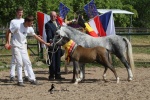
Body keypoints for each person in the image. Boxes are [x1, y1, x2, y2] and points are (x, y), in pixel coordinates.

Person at [5, 15, 50, 86]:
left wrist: (45, 43)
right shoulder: (17, 26)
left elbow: (36, 37)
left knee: (28, 62)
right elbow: (8, 31)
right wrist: (7, 42)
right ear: (26, 22)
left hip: (23, 46)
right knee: (19, 62)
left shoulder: (30, 28)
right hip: (16, 46)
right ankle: (20, 81)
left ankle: (32, 79)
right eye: (31, 23)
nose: (31, 24)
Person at [5, 6, 29, 82]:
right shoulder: (13, 21)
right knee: (14, 60)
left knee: (25, 59)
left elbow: (28, 30)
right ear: (16, 13)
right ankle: (12, 75)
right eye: (19, 12)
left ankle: (26, 75)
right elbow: (9, 32)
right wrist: (8, 42)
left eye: (21, 12)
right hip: (15, 43)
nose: (20, 14)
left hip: (23, 42)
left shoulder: (24, 21)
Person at [45, 11, 65, 80]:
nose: (53, 17)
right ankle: (51, 75)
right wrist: (51, 40)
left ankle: (58, 75)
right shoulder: (48, 24)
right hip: (52, 45)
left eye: (54, 16)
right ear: (50, 16)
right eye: (52, 16)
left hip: (58, 44)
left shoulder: (58, 24)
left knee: (58, 61)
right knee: (52, 61)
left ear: (56, 16)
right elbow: (49, 34)